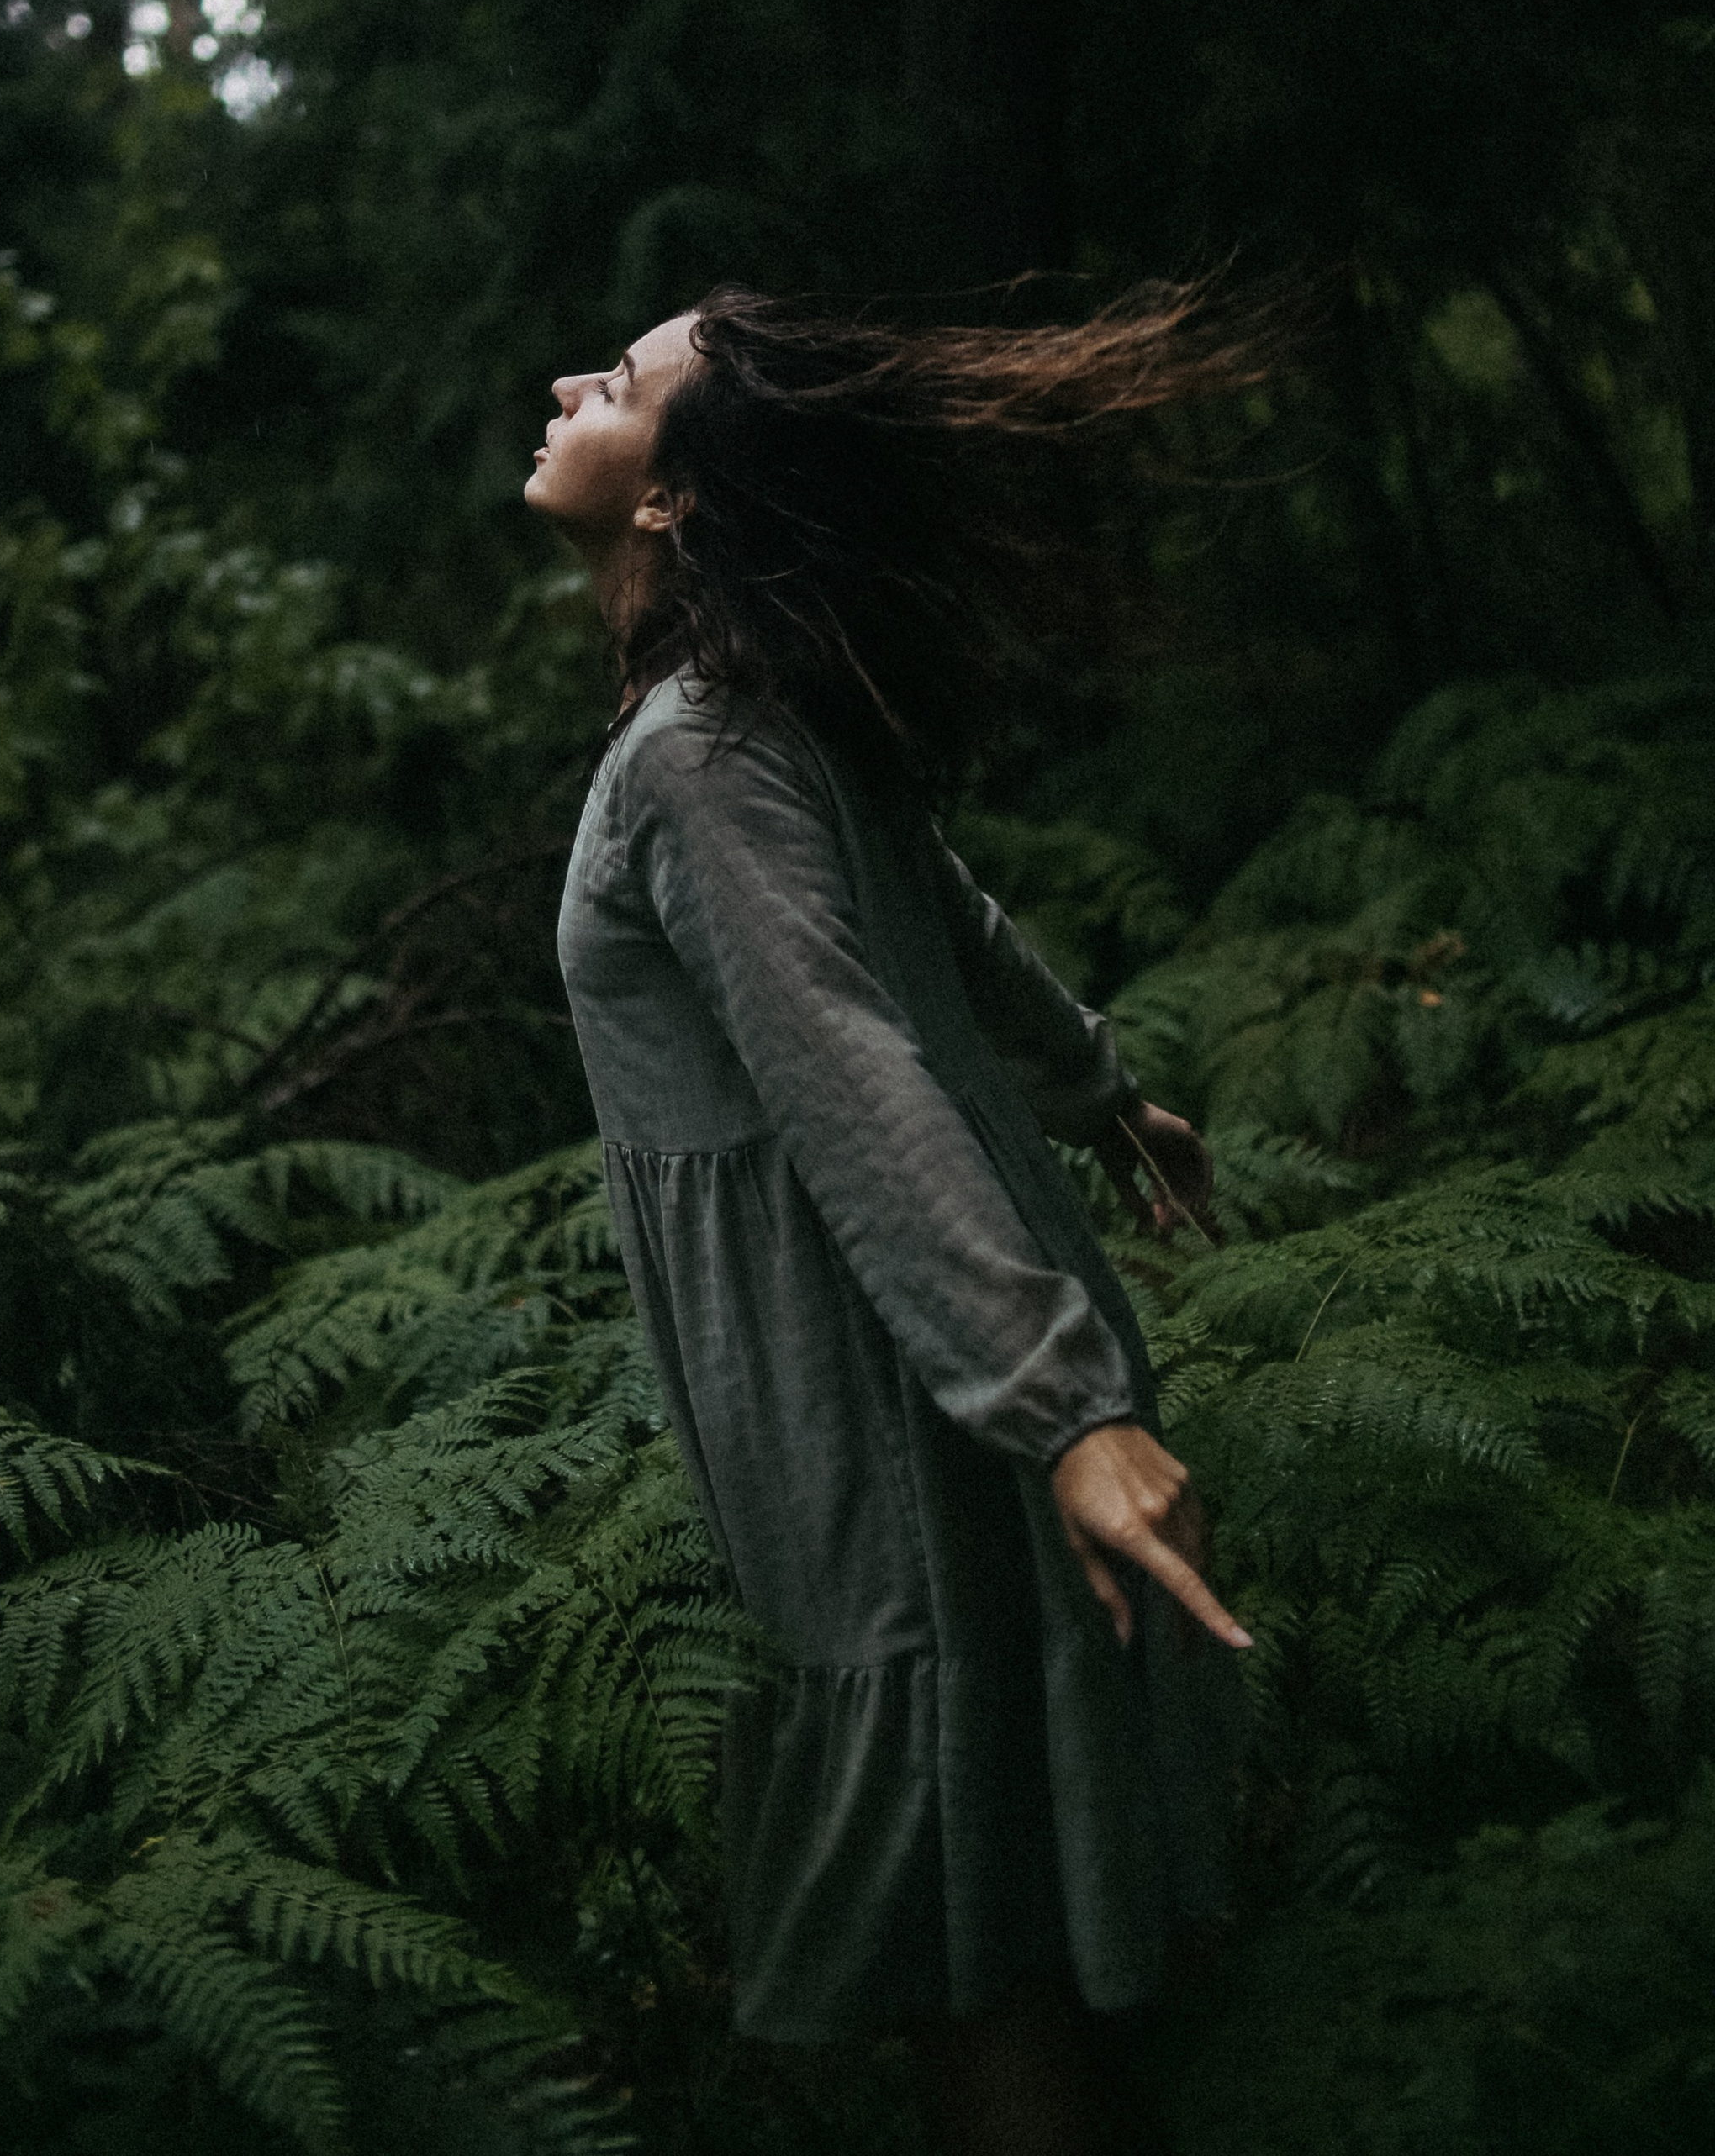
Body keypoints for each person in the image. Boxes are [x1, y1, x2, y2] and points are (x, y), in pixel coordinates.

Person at [527, 288, 1259, 2156]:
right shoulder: (756, 710)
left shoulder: (696, 750)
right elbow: (953, 925)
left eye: (616, 384)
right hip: (940, 1324)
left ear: (674, 501)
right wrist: (1098, 1093)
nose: (565, 388)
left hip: (886, 1372)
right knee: (991, 1895)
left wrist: (1062, 1405)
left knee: (968, 1950)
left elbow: (844, 1062)